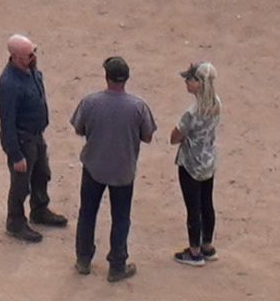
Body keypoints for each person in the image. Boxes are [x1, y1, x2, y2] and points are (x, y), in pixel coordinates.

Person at [69, 53, 160, 281]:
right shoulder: (138, 107)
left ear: (106, 77)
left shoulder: (90, 102)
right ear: (126, 79)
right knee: (120, 218)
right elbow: (147, 136)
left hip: (93, 167)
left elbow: (79, 128)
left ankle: (83, 259)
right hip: (123, 170)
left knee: (87, 213)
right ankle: (117, 265)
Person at [0, 36, 58, 243]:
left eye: (33, 52)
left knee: (42, 174)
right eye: (28, 55)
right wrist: (15, 154)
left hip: (36, 135)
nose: (33, 57)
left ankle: (39, 209)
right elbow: (7, 123)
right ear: (14, 57)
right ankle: (15, 222)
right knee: (21, 184)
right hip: (23, 140)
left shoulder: (30, 71)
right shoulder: (9, 85)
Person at [171, 61, 221, 265]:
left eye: (190, 80)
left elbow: (175, 137)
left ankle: (194, 251)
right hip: (208, 160)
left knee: (193, 207)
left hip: (191, 162)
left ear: (199, 83)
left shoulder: (191, 113)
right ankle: (207, 245)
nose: (187, 82)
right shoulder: (217, 103)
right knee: (207, 203)